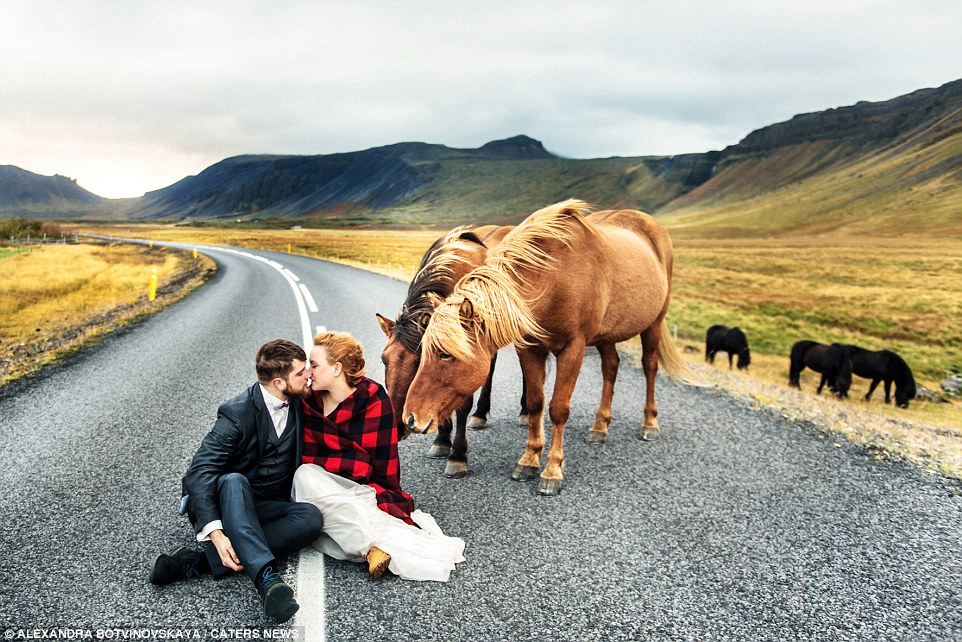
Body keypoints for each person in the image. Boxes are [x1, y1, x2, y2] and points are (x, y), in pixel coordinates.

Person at [149, 339, 324, 624]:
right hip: (229, 500)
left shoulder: (300, 401)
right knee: (232, 480)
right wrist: (216, 534)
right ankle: (268, 580)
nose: (309, 376)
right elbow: (200, 470)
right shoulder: (236, 413)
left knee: (310, 518)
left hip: (267, 503)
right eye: (302, 372)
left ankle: (198, 562)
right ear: (279, 382)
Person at [293, 331, 465, 582]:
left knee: (314, 496)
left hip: (362, 485)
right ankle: (371, 548)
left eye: (315, 365)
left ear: (336, 368)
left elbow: (384, 460)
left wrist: (360, 485)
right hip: (321, 484)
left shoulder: (373, 398)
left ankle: (367, 545)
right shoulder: (309, 402)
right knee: (306, 477)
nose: (309, 372)